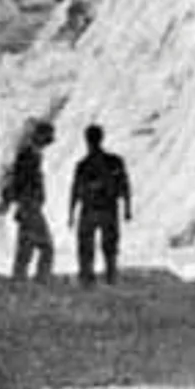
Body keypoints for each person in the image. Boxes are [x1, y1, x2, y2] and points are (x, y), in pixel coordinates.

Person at [69, 122, 132, 287]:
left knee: (86, 247)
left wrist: (71, 213)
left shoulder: (82, 165)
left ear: (86, 140)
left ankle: (87, 280)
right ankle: (111, 278)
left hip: (89, 210)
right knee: (110, 247)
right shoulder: (114, 161)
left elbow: (75, 190)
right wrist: (127, 208)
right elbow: (125, 185)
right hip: (109, 209)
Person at [0, 118, 57, 284]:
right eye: (47, 138)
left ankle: (19, 279)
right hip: (30, 206)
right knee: (46, 247)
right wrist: (8, 200)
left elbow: (17, 181)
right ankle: (41, 280)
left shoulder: (30, 155)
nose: (48, 143)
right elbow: (18, 181)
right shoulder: (29, 156)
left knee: (26, 246)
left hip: (27, 206)